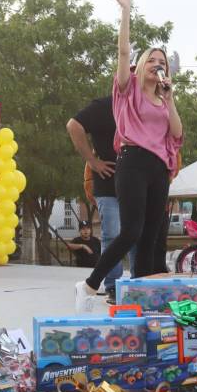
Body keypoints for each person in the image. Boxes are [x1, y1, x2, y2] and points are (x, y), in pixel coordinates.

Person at [75, 0, 183, 313]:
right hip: (132, 162)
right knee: (131, 230)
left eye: (162, 61)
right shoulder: (128, 90)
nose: (157, 64)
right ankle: (90, 284)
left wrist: (170, 97)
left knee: (152, 235)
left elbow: (176, 134)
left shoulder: (162, 99)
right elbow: (123, 54)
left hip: (158, 169)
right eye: (152, 59)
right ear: (140, 66)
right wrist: (125, 11)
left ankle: (144, 298)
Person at [68, 97, 137, 302]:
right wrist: (92, 160)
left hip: (138, 183)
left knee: (138, 234)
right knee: (112, 234)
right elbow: (74, 125)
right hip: (108, 183)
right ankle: (113, 285)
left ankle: (137, 283)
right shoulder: (105, 106)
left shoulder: (145, 105)